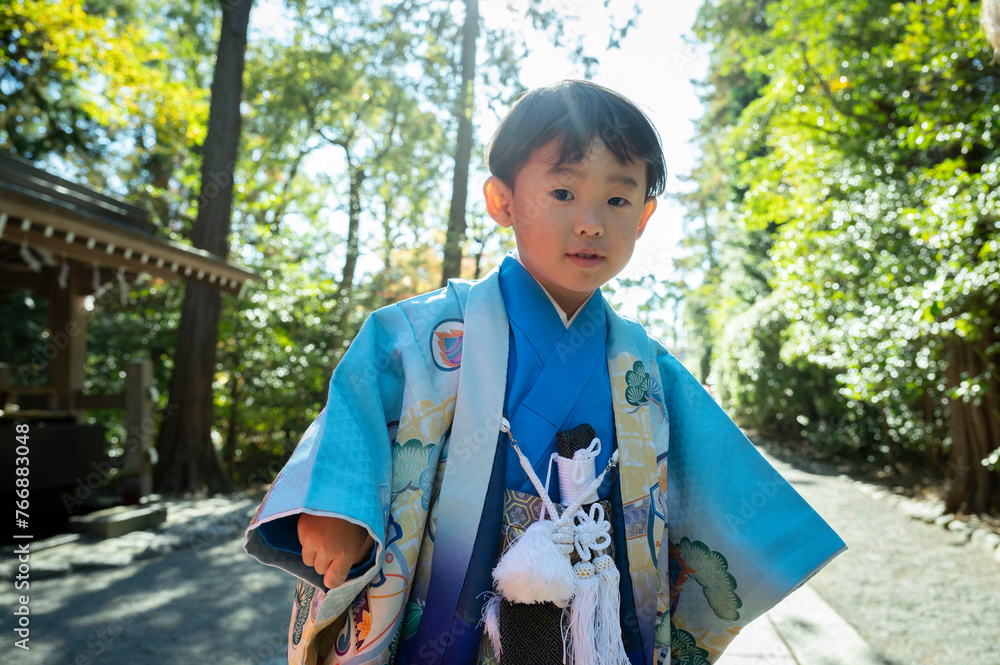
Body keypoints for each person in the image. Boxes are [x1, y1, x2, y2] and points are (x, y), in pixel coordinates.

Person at [244, 80, 845, 665]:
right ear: (503, 201)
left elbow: (719, 484)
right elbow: (356, 416)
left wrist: (773, 542)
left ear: (644, 216)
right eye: (563, 193)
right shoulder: (424, 333)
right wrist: (336, 508)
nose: (591, 222)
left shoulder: (646, 365)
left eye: (617, 200)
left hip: (599, 602)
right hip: (457, 596)